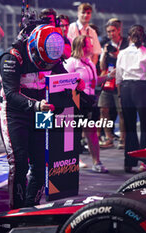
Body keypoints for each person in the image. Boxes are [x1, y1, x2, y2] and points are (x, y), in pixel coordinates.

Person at [0, 24, 69, 209]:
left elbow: (65, 83)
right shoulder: (12, 58)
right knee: (19, 163)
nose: (46, 66)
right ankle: (16, 209)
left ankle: (31, 206)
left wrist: (75, 85)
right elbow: (11, 95)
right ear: (33, 47)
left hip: (42, 111)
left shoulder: (52, 54)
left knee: (41, 163)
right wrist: (36, 105)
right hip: (15, 112)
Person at [116, 25, 146, 173]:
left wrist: (121, 95)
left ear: (129, 37)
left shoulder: (122, 53)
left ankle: (129, 162)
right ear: (144, 37)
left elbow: (118, 78)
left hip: (126, 89)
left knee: (129, 127)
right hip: (142, 89)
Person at [64, 35, 108, 173]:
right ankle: (72, 161)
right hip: (76, 102)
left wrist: (108, 77)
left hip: (89, 102)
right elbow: (64, 83)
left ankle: (97, 162)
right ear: (82, 46)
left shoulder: (89, 62)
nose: (92, 46)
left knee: (92, 132)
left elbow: (93, 82)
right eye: (89, 44)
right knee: (74, 134)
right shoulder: (71, 63)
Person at [98, 18, 127, 149]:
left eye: (113, 31)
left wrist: (117, 55)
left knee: (121, 112)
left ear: (119, 30)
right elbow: (102, 66)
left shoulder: (126, 43)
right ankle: (108, 137)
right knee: (103, 109)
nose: (111, 34)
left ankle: (123, 138)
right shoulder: (105, 43)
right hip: (108, 81)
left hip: (121, 82)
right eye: (108, 31)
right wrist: (104, 53)